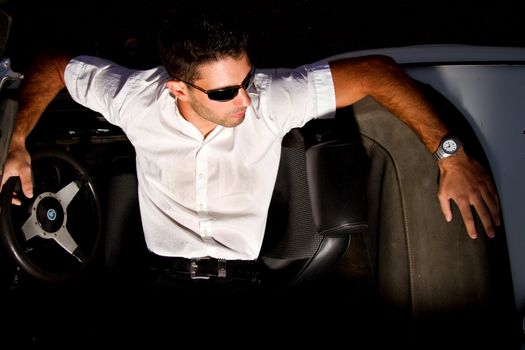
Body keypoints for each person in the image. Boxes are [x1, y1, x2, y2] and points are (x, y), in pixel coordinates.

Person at [0, 6, 500, 286]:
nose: (244, 99)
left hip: (244, 286)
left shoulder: (271, 100)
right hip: (154, 284)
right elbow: (54, 65)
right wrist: (19, 142)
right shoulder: (133, 98)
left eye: (246, 79)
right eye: (223, 91)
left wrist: (450, 155)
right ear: (178, 88)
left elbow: (379, 73)